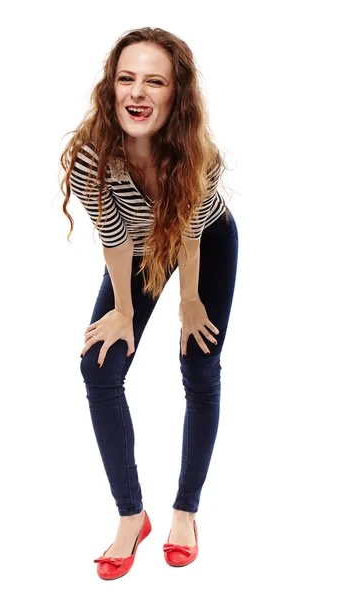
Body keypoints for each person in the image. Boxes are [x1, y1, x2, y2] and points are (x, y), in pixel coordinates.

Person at [59, 27, 239, 580]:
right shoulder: (92, 157)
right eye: (125, 79)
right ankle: (131, 515)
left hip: (203, 240)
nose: (137, 93)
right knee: (100, 368)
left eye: (154, 81)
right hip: (136, 246)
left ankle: (185, 510)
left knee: (198, 363)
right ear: (110, 88)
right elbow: (114, 236)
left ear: (175, 93)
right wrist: (123, 310)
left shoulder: (197, 153)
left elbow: (188, 229)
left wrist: (189, 299)